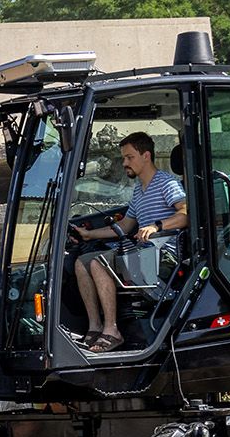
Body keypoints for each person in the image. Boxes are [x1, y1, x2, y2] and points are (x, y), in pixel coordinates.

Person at [69, 131, 187, 353]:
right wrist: (89, 235)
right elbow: (124, 226)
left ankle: (112, 331)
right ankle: (94, 328)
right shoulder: (139, 192)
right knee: (82, 262)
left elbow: (186, 213)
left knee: (98, 263)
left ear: (146, 156)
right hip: (142, 254)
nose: (124, 163)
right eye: (123, 158)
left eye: (129, 157)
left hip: (163, 257)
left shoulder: (165, 183)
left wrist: (157, 226)